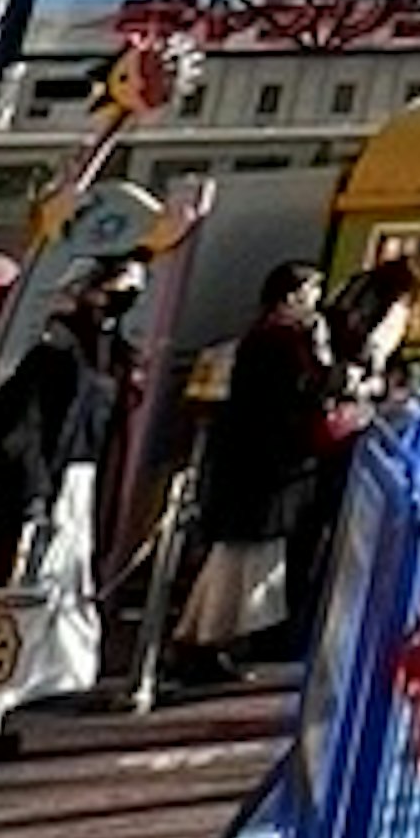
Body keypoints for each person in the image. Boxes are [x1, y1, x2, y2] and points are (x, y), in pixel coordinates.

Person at [0, 258, 149, 749]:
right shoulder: (52, 351)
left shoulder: (101, 351)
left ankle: (42, 683)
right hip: (48, 486)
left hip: (78, 484)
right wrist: (33, 493)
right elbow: (22, 427)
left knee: (55, 588)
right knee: (21, 594)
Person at [168, 262, 333, 684]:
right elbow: (297, 397)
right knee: (242, 561)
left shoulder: (270, 341)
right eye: (311, 292)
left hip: (257, 465)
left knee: (239, 560)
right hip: (262, 467)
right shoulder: (277, 345)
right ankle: (206, 640)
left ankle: (202, 638)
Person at [279, 256, 417, 660]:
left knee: (309, 533)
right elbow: (370, 363)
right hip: (345, 432)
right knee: (331, 532)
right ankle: (305, 631)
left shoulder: (343, 306)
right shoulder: (385, 317)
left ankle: (289, 627)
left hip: (319, 436)